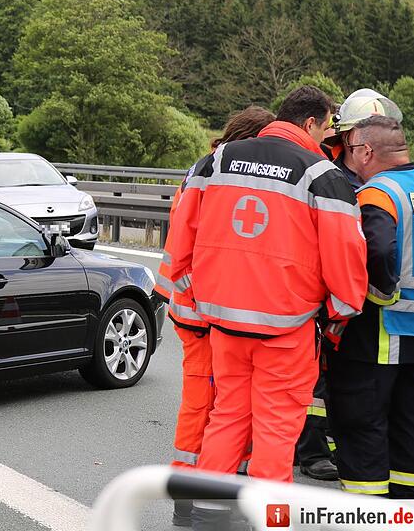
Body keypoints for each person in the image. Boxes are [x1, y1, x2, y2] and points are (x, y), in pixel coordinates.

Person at [166, 86, 368, 531]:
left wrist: (200, 297)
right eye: (327, 126)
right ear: (311, 123)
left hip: (223, 323)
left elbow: (180, 242)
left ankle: (209, 515)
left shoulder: (218, 161)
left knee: (227, 417)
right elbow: (346, 256)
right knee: (276, 430)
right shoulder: (321, 174)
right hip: (286, 328)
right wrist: (338, 312)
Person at [156, 105, 274, 527]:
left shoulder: (208, 167)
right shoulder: (220, 173)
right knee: (205, 401)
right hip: (202, 309)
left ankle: (212, 484)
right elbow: (201, 247)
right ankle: (189, 494)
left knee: (222, 401)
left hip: (199, 305)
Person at [327, 115, 414, 499]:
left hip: (382, 336)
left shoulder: (377, 194)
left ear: (366, 151)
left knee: (362, 427)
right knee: (411, 429)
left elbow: (379, 250)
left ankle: (367, 516)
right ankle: (407, 511)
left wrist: (379, 293)